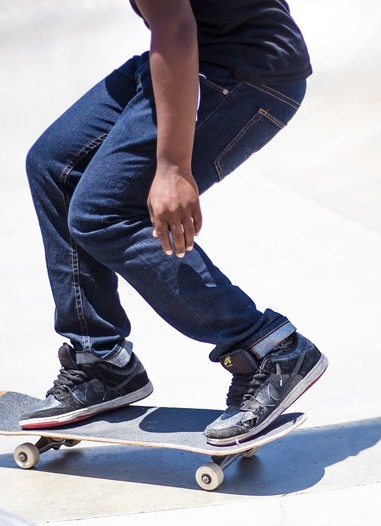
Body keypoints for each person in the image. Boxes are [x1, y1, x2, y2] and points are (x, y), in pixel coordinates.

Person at [21, 0, 326, 445]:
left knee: (103, 212)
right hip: (199, 52)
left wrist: (173, 167)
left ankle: (268, 349)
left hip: (244, 70)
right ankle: (100, 360)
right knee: (54, 164)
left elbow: (176, 26)